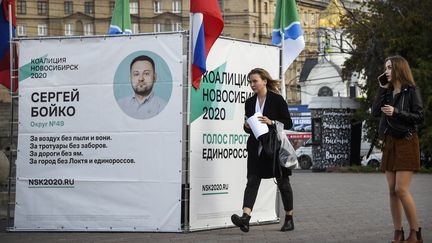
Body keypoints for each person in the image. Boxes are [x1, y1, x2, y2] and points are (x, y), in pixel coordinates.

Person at [231, 68, 294, 233]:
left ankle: (289, 218)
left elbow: (288, 123)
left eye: (255, 81)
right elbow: (248, 127)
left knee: (283, 183)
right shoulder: (249, 102)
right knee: (252, 181)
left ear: (264, 81)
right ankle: (245, 218)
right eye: (250, 82)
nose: (252, 85)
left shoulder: (277, 100)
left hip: (274, 148)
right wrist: (246, 126)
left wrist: (271, 121)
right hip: (255, 148)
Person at [372, 56, 424, 243]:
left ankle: (415, 232)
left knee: (401, 189)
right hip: (389, 141)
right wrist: (382, 88)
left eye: (389, 68)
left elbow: (419, 117)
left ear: (399, 69)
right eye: (385, 68)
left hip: (406, 141)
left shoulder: (411, 91)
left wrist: (397, 113)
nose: (386, 71)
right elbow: (375, 112)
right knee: (391, 191)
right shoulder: (387, 92)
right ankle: (398, 232)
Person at [118, 55, 167, 119]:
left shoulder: (163, 107)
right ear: (130, 78)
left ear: (154, 77)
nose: (141, 78)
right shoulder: (120, 105)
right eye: (136, 74)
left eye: (146, 73)